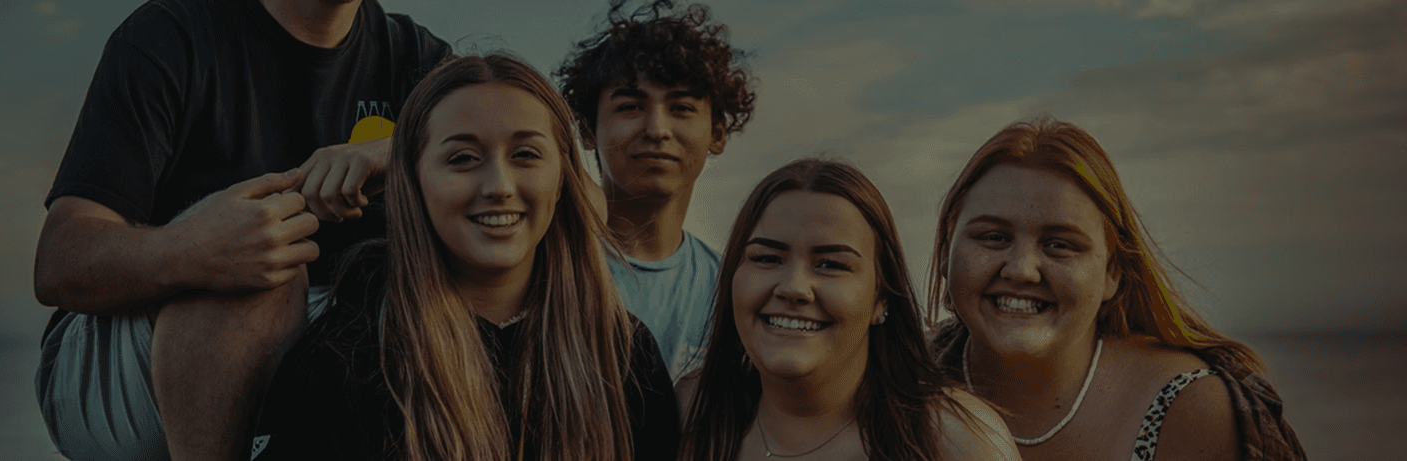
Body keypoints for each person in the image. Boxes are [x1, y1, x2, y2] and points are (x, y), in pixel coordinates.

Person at [32, 0, 449, 459]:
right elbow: (60, 262)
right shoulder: (169, 33)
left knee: (459, 260)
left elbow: (527, 133)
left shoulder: (417, 59)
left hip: (322, 348)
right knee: (267, 257)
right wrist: (197, 250)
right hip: (125, 363)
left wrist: (397, 148)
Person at [249, 54, 680, 461]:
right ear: (414, 181)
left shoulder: (624, 355)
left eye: (526, 154)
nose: (499, 185)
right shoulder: (342, 360)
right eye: (463, 158)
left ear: (564, 178)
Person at [926, 118, 1308, 461]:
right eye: (993, 237)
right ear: (945, 253)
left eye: (1059, 244)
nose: (1022, 270)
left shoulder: (1192, 409)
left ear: (1112, 272)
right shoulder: (898, 387)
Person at [678, 159, 1019, 461]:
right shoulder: (693, 412)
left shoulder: (953, 440)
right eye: (767, 259)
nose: (794, 287)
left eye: (830, 264)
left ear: (881, 298)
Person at [556, 0, 756, 382]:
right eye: (631, 106)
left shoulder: (733, 291)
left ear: (717, 134)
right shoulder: (543, 266)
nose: (657, 129)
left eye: (681, 108)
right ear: (586, 130)